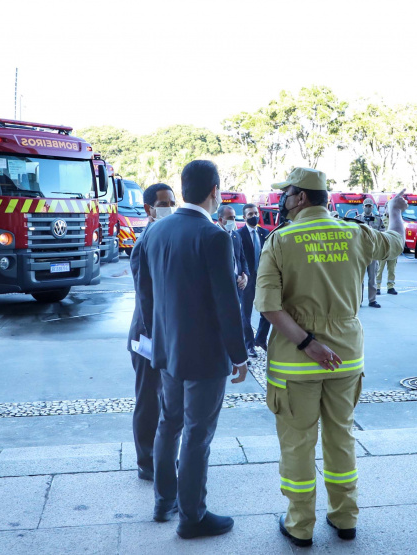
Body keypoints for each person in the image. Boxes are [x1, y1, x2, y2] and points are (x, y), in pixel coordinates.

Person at [255, 167, 405, 547]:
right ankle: (345, 518)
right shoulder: (355, 233)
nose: (282, 201)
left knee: (298, 442)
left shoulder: (281, 241)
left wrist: (308, 345)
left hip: (295, 364)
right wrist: (395, 211)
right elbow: (397, 242)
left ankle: (300, 525)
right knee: (341, 437)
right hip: (347, 359)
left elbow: (269, 307)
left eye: (286, 195)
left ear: (301, 197)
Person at [136, 160, 249, 539]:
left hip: (167, 352)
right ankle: (192, 517)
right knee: (198, 436)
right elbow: (226, 303)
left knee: (168, 427)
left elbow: (146, 295)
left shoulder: (155, 232)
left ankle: (163, 502)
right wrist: (240, 353)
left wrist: (157, 339)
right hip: (204, 356)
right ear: (215, 190)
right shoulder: (214, 236)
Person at [127, 182, 176, 482]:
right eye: (164, 203)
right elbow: (146, 297)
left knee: (164, 399)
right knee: (147, 400)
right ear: (148, 209)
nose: (170, 207)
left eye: (173, 201)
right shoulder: (144, 243)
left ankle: (162, 456)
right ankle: (146, 462)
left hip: (164, 334)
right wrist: (155, 338)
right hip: (147, 336)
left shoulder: (162, 236)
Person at [237, 203, 272, 354]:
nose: (254, 216)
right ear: (244, 217)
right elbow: (237, 257)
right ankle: (249, 344)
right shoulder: (239, 234)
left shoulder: (265, 232)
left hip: (264, 278)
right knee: (246, 313)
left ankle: (261, 338)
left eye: (255, 213)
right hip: (247, 278)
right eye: (250, 214)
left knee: (269, 309)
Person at [218, 205, 250, 293]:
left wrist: (245, 276)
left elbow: (242, 258)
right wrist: (236, 277)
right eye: (230, 218)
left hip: (239, 285)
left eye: (234, 218)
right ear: (220, 220)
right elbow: (218, 265)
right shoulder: (215, 236)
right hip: (223, 286)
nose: (233, 221)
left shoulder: (236, 235)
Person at [360, 198, 384, 308]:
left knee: (372, 278)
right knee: (359, 278)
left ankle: (372, 300)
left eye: (370, 206)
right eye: (366, 206)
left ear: (373, 207)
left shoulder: (378, 220)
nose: (368, 208)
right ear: (363, 207)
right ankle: (358, 300)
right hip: (360, 253)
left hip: (373, 252)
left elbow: (382, 234)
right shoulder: (357, 219)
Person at [376, 209, 398, 295]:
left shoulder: (396, 219)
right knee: (380, 269)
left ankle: (390, 287)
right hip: (383, 247)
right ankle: (377, 287)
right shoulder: (380, 219)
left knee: (392, 269)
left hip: (393, 247)